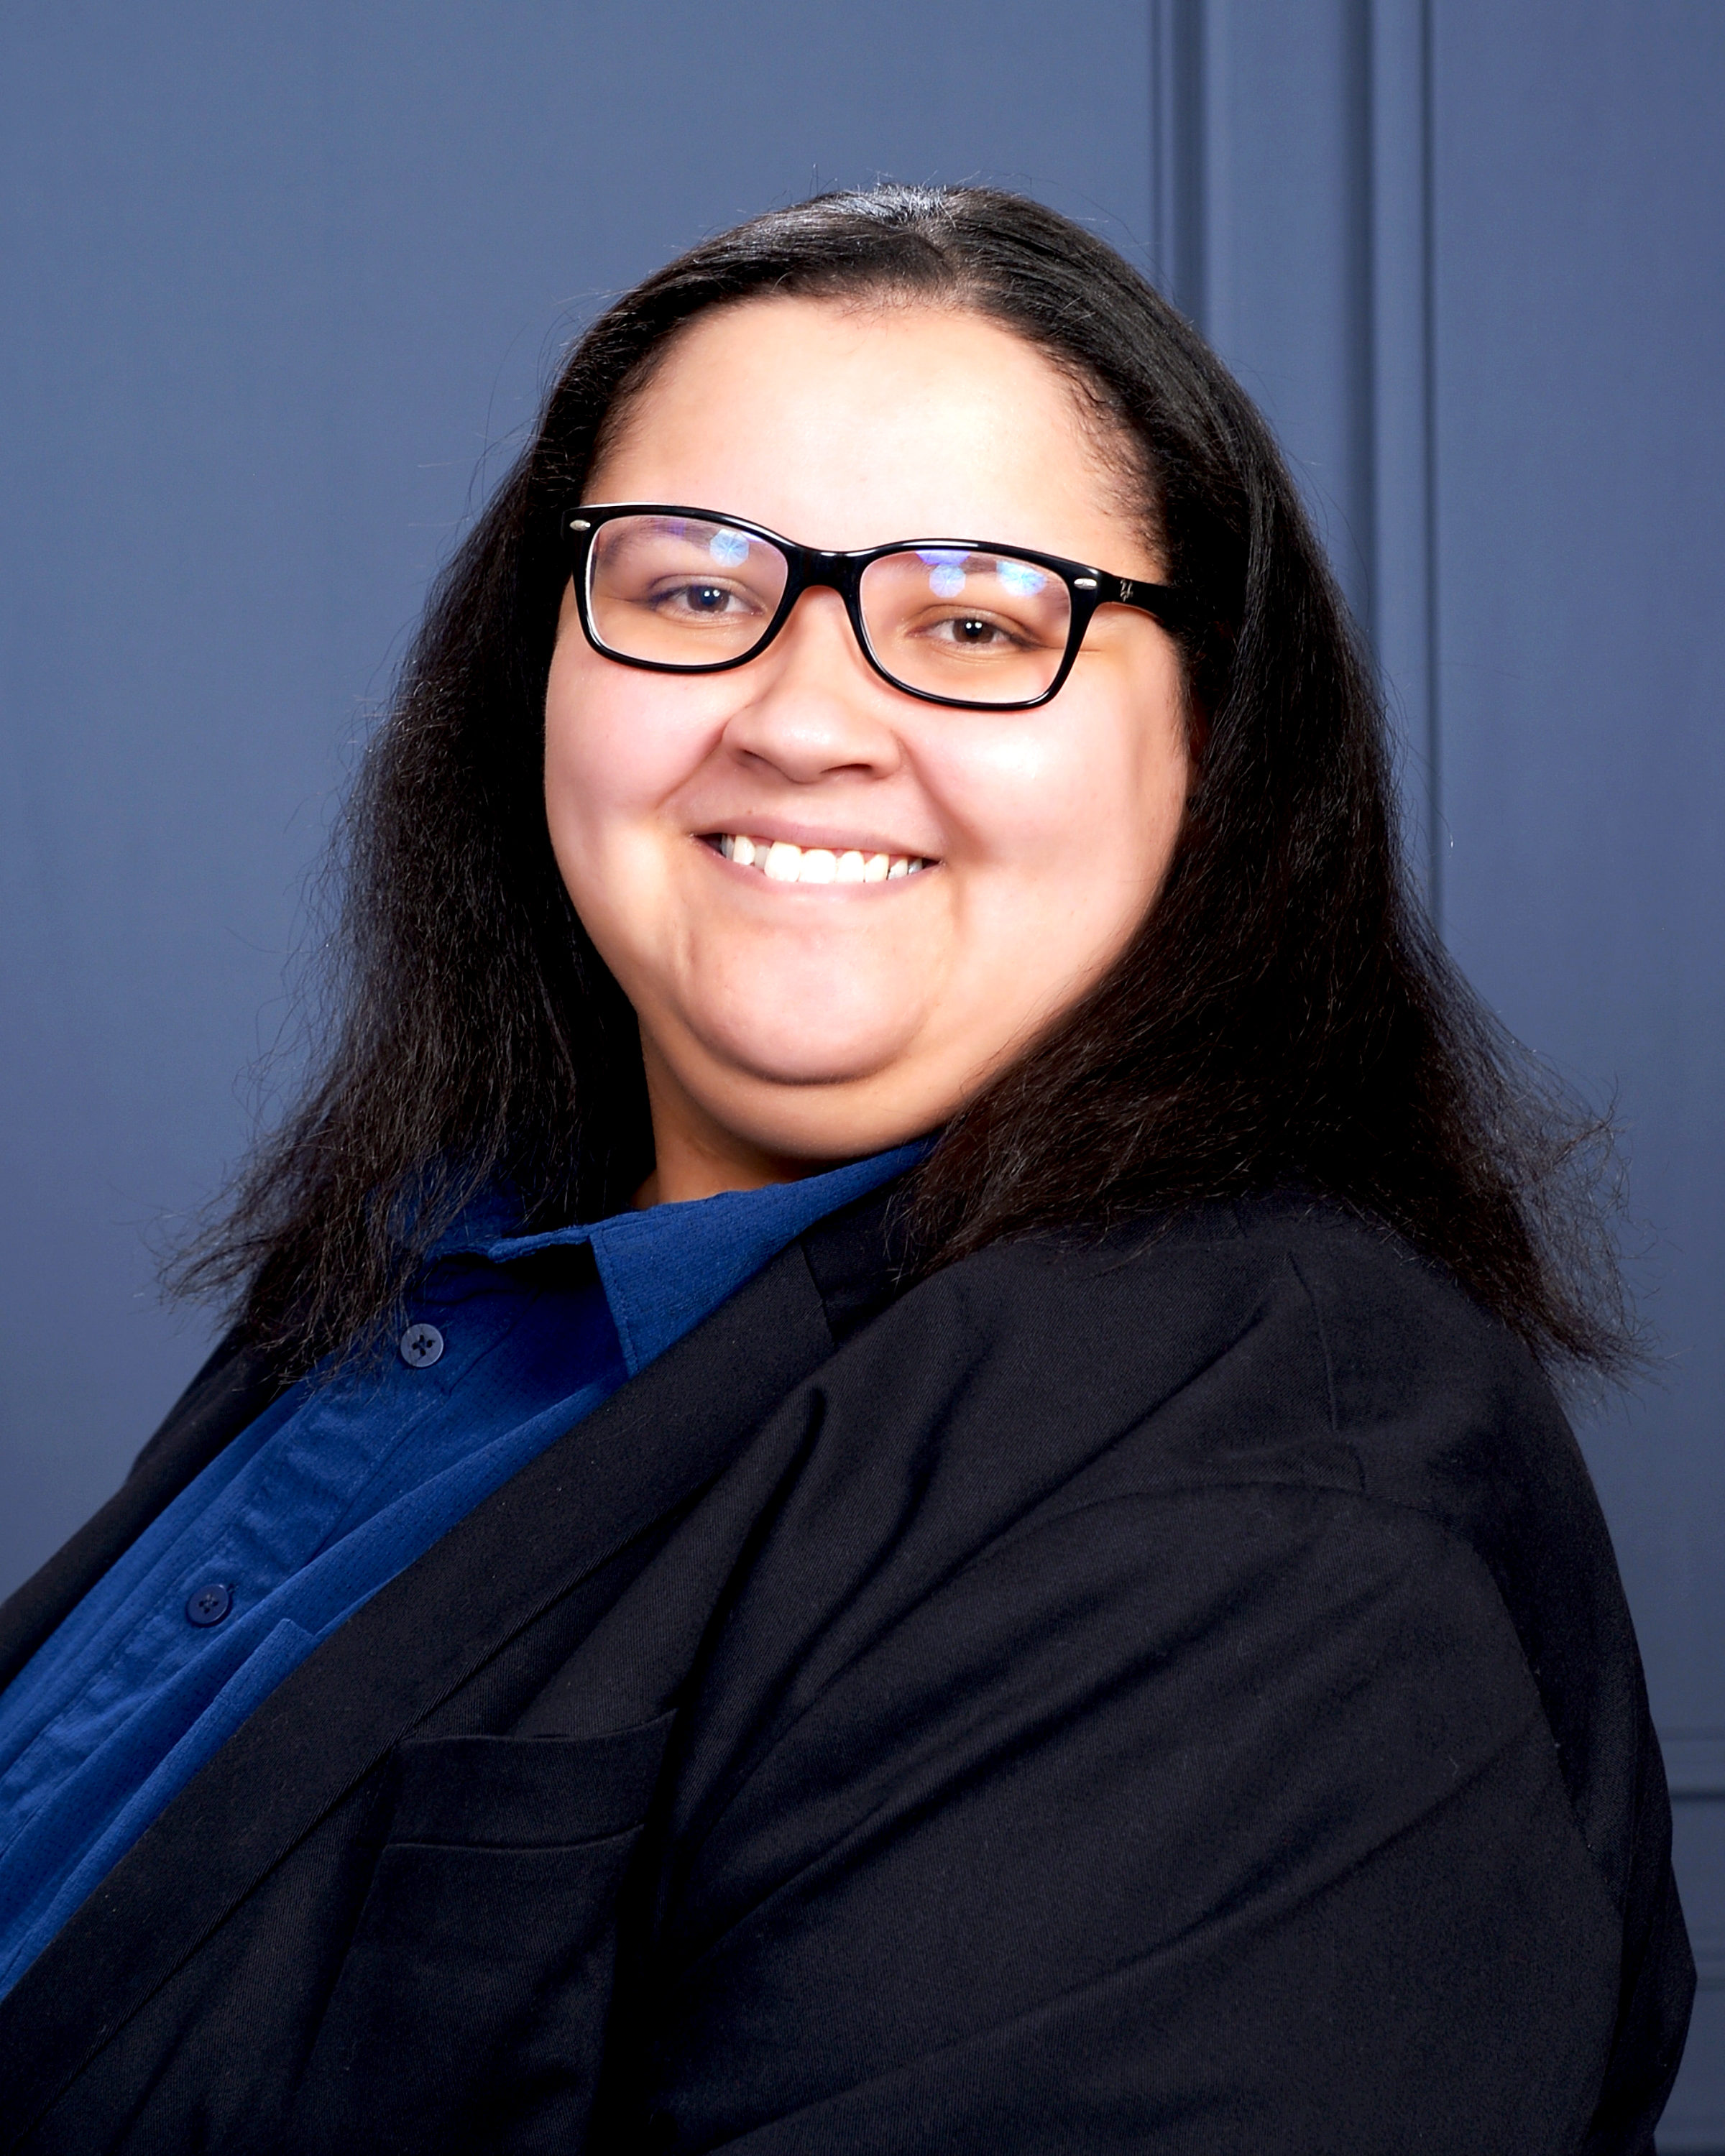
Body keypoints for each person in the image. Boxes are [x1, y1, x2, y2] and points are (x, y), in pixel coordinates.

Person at [0, 185, 1693, 2153]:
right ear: (539, 663)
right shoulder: (450, 1270)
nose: (804, 718)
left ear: (1215, 742)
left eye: (977, 621)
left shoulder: (1250, 1515)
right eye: (696, 590)